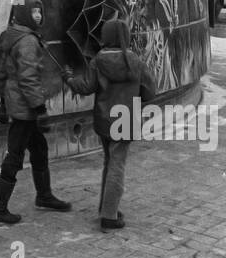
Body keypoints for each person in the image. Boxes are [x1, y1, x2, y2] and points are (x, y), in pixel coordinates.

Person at [63, 18, 156, 232]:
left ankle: (106, 208)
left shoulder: (98, 61)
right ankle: (109, 215)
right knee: (118, 165)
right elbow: (150, 92)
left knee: (109, 161)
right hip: (125, 119)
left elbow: (86, 87)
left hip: (105, 119)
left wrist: (69, 79)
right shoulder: (135, 61)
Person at [0, 0, 71, 226]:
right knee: (15, 155)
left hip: (17, 102)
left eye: (40, 12)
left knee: (39, 149)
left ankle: (44, 196)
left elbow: (4, 73)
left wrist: (4, 105)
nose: (39, 16)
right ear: (24, 14)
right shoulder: (27, 42)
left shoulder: (12, 35)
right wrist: (40, 108)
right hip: (26, 107)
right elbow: (28, 79)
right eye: (34, 12)